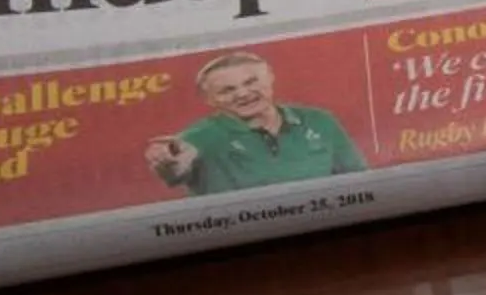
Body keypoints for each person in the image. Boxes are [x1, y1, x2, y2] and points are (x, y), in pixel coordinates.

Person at [146, 52, 368, 194]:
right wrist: (171, 164)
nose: (243, 94)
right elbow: (177, 168)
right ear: (210, 100)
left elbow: (360, 181)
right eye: (227, 90)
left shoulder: (320, 120)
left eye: (251, 82)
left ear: (270, 77)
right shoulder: (196, 138)